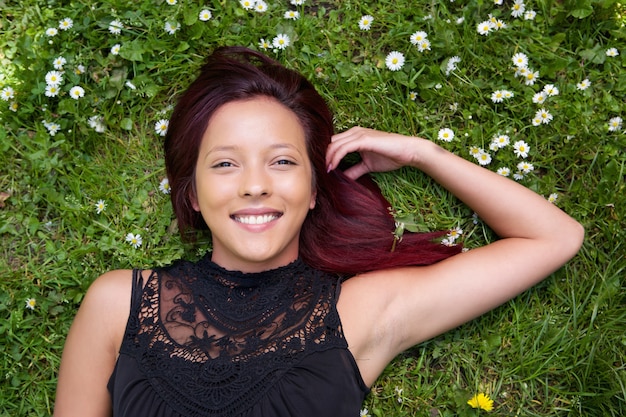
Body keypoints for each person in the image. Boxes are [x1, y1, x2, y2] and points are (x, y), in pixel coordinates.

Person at [53, 46, 584, 416]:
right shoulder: (116, 304)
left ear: (313, 191)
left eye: (282, 162)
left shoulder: (356, 313)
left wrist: (425, 153)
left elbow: (554, 238)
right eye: (224, 165)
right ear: (191, 193)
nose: (255, 186)